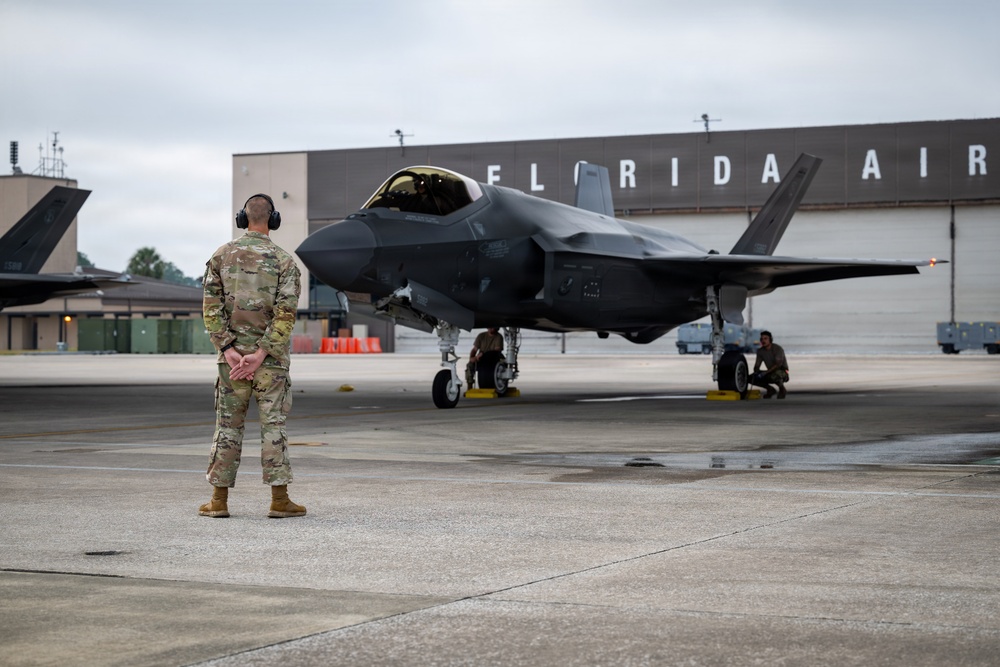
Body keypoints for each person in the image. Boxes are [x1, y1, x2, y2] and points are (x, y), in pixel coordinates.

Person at [199, 193, 305, 518]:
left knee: (227, 427)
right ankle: (279, 500)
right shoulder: (285, 262)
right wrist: (261, 354)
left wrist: (228, 350)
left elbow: (210, 307)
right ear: (273, 220)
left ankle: (218, 502)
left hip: (231, 365)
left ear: (242, 219)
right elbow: (285, 314)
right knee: (273, 424)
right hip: (270, 364)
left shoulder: (220, 257)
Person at [751, 330, 789, 399]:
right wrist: (756, 372)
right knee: (750, 378)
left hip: (782, 371)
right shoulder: (760, 351)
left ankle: (782, 389)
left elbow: (778, 364)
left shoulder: (777, 349)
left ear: (770, 339)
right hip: (770, 371)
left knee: (776, 375)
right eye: (762, 339)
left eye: (765, 338)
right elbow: (757, 365)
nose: (763, 341)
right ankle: (770, 389)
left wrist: (765, 373)